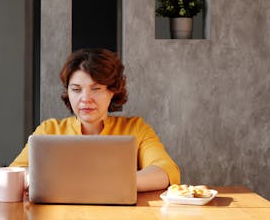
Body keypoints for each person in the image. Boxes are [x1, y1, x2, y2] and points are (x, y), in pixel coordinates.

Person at [10, 48, 180, 191]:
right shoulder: (49, 130)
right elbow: (14, 173)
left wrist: (107, 183)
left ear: (112, 90)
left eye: (96, 89)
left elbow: (166, 171)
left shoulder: (136, 128)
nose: (85, 99)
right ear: (68, 92)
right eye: (76, 89)